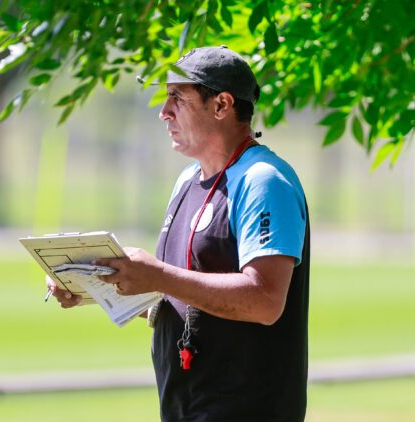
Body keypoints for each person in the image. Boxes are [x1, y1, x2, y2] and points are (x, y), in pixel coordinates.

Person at [49, 46, 310, 422]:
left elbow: (265, 301)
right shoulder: (188, 180)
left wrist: (156, 274)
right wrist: (91, 282)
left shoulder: (264, 181)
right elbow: (180, 301)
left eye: (177, 98)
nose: (163, 112)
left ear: (221, 105)